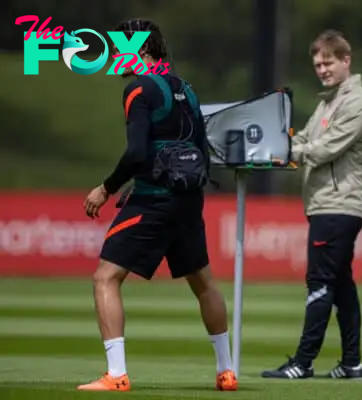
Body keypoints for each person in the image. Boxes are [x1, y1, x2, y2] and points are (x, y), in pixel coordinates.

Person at [78, 18, 237, 392]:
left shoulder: (139, 91)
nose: (116, 55)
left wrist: (106, 188)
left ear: (142, 51)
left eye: (121, 48)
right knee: (204, 284)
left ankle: (116, 375)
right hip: (189, 200)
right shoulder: (189, 90)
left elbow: (135, 153)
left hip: (153, 201)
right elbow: (201, 150)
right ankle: (226, 372)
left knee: (105, 277)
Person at [261, 29, 362, 380]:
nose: (322, 70)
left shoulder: (358, 101)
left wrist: (282, 152)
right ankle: (352, 362)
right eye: (317, 65)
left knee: (320, 280)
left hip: (341, 204)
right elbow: (308, 139)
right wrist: (281, 146)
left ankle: (303, 361)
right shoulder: (328, 102)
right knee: (340, 283)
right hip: (327, 202)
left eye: (328, 62)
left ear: (346, 60)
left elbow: (326, 148)